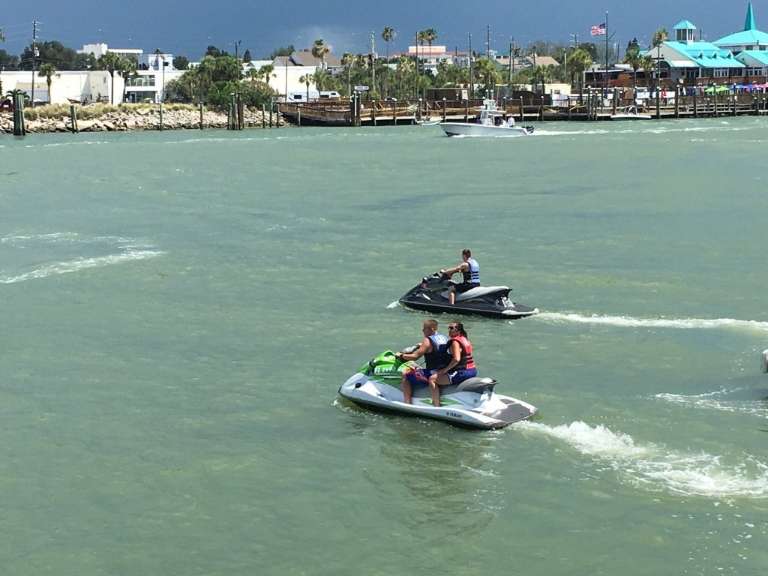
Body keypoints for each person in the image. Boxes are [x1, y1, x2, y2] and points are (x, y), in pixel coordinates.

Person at [395, 319, 450, 404]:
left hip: (433, 372)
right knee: (417, 368)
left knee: (406, 374)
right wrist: (421, 345)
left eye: (425, 328)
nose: (423, 330)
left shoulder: (427, 340)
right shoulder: (444, 338)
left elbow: (415, 357)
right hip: (444, 371)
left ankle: (407, 402)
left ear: (432, 329)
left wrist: (401, 355)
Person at [428, 322, 477, 407]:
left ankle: (436, 406)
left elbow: (456, 359)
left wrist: (444, 370)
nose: (449, 330)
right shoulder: (465, 339)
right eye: (449, 328)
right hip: (472, 370)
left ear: (458, 331)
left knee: (432, 379)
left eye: (451, 328)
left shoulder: (455, 342)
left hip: (462, 372)